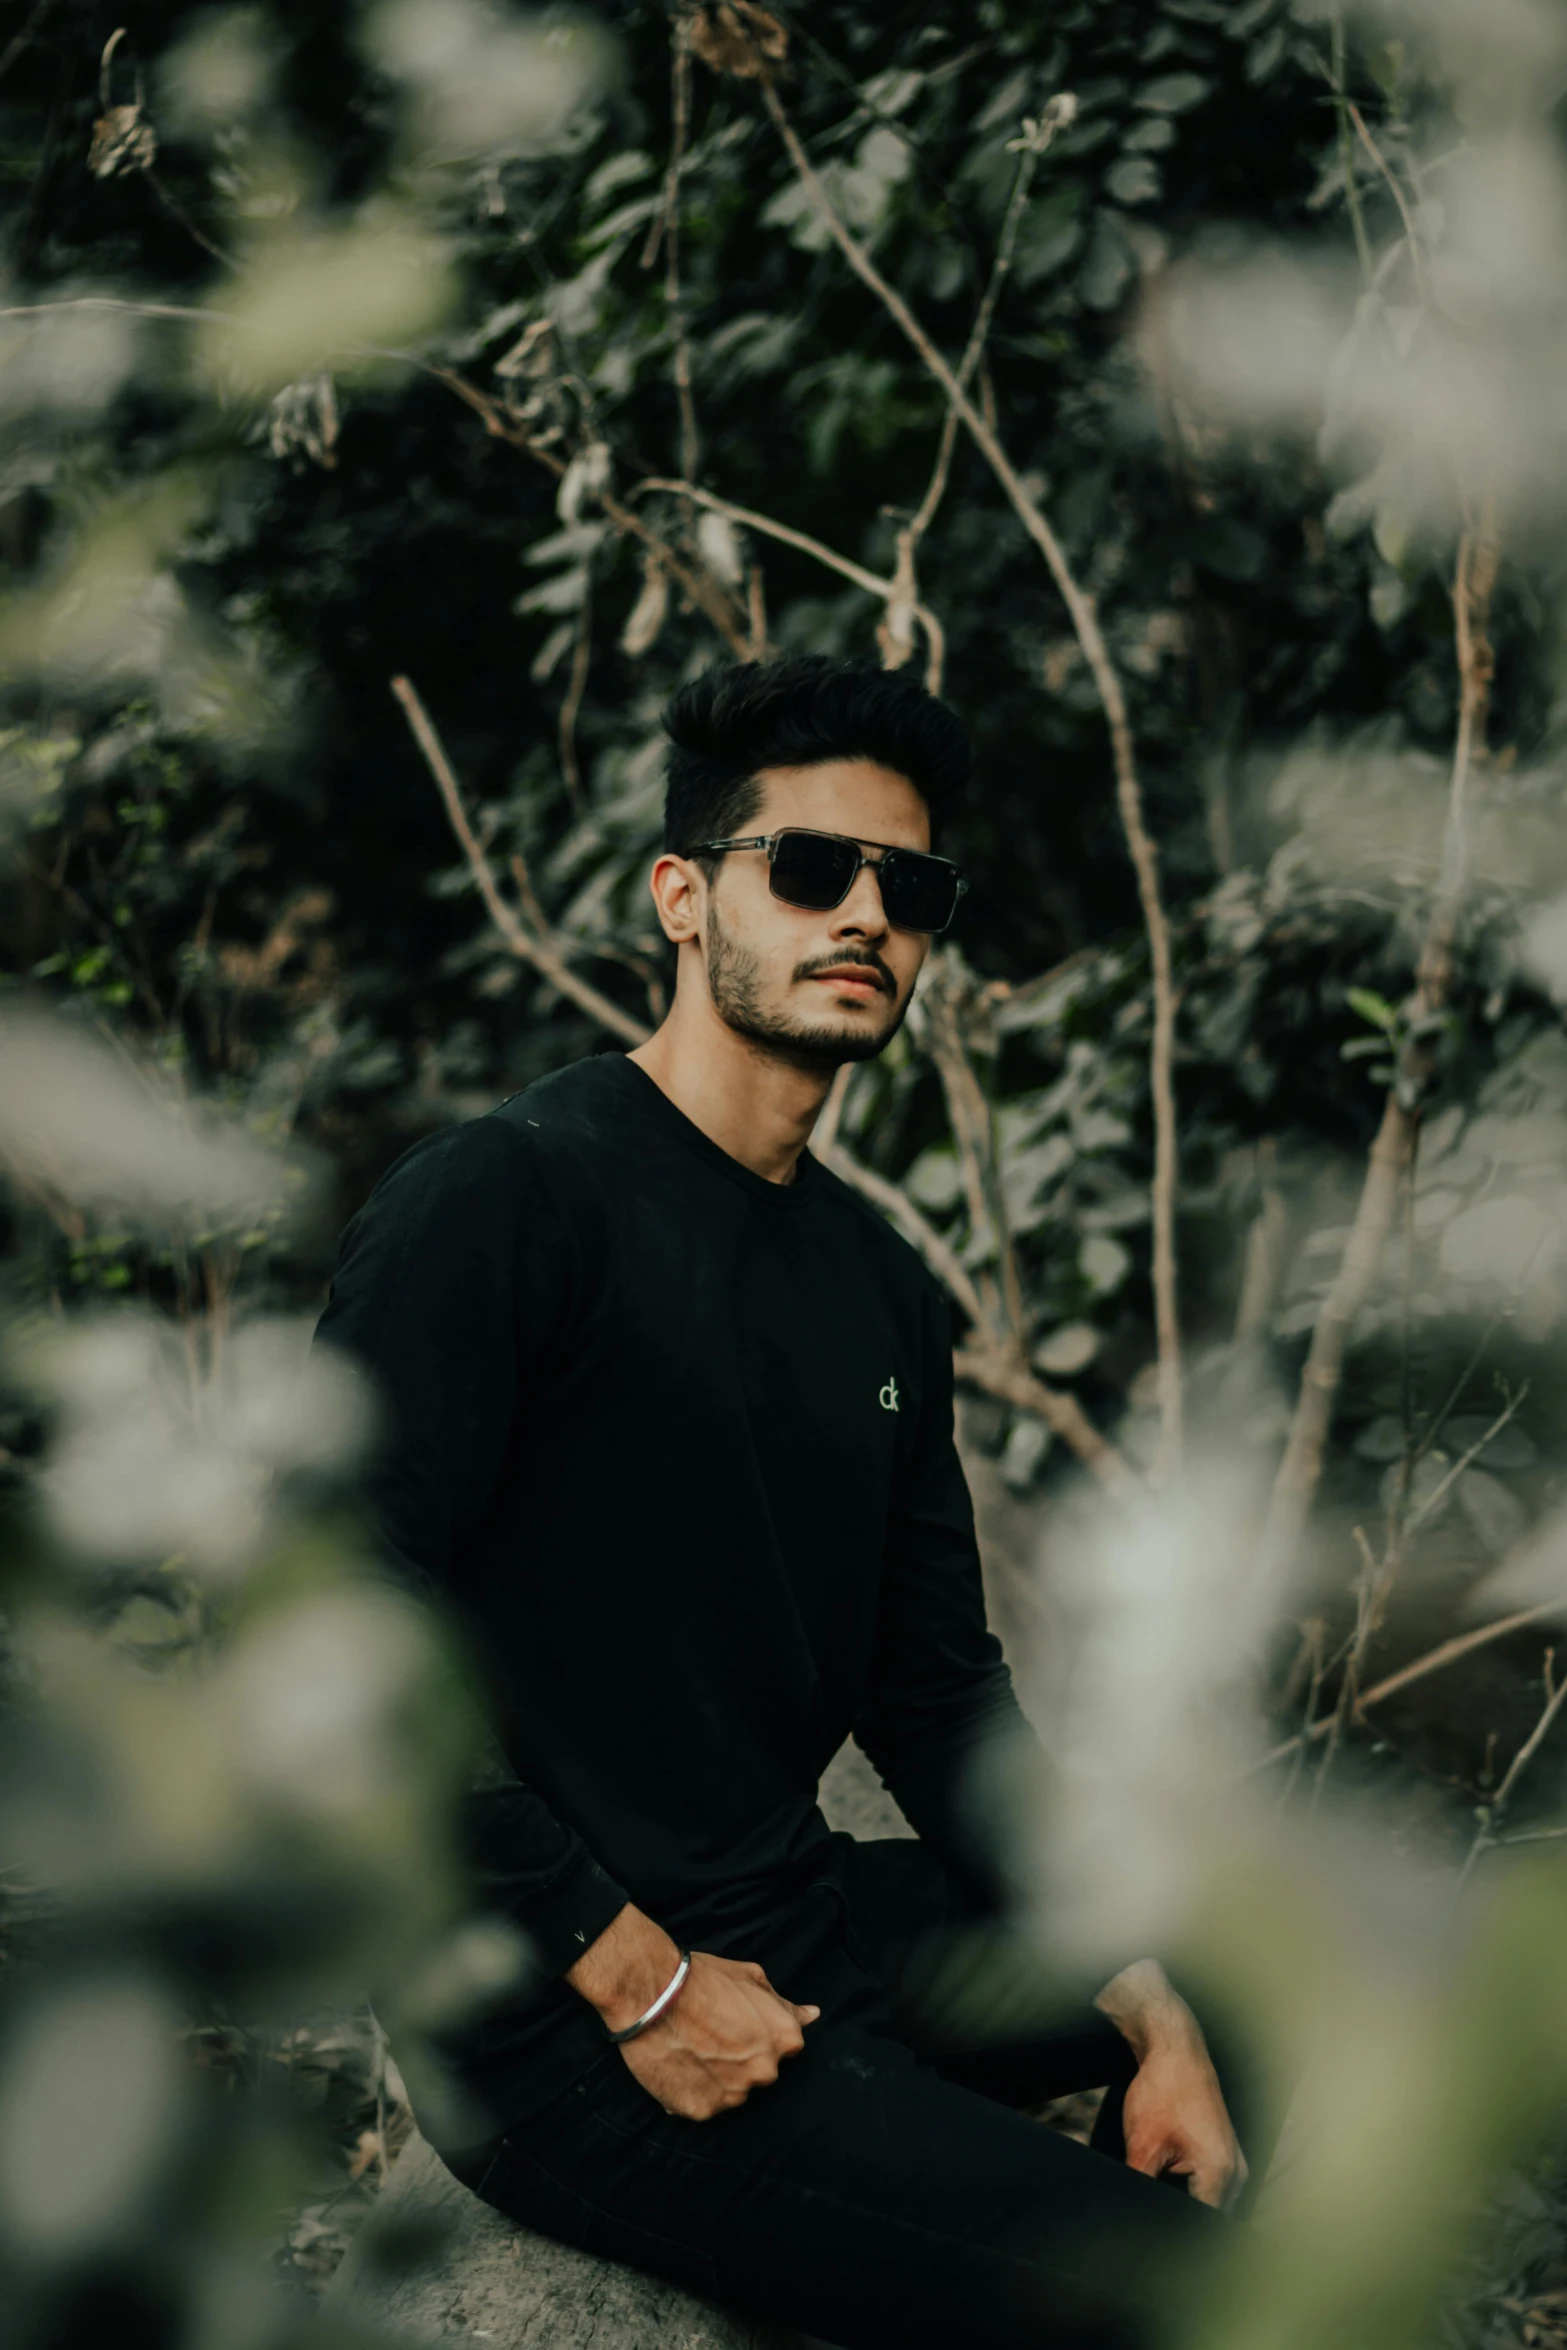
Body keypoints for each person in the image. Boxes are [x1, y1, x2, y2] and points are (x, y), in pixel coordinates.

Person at [314, 656, 1245, 2350]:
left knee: (1241, 1987)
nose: (864, 915)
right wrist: (644, 1982)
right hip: (561, 2024)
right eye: (808, 867)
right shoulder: (505, 1200)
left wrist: (1137, 1992)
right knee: (1177, 2288)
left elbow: (935, 1685)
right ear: (683, 896)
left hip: (800, 1919)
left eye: (909, 886)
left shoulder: (873, 1284)